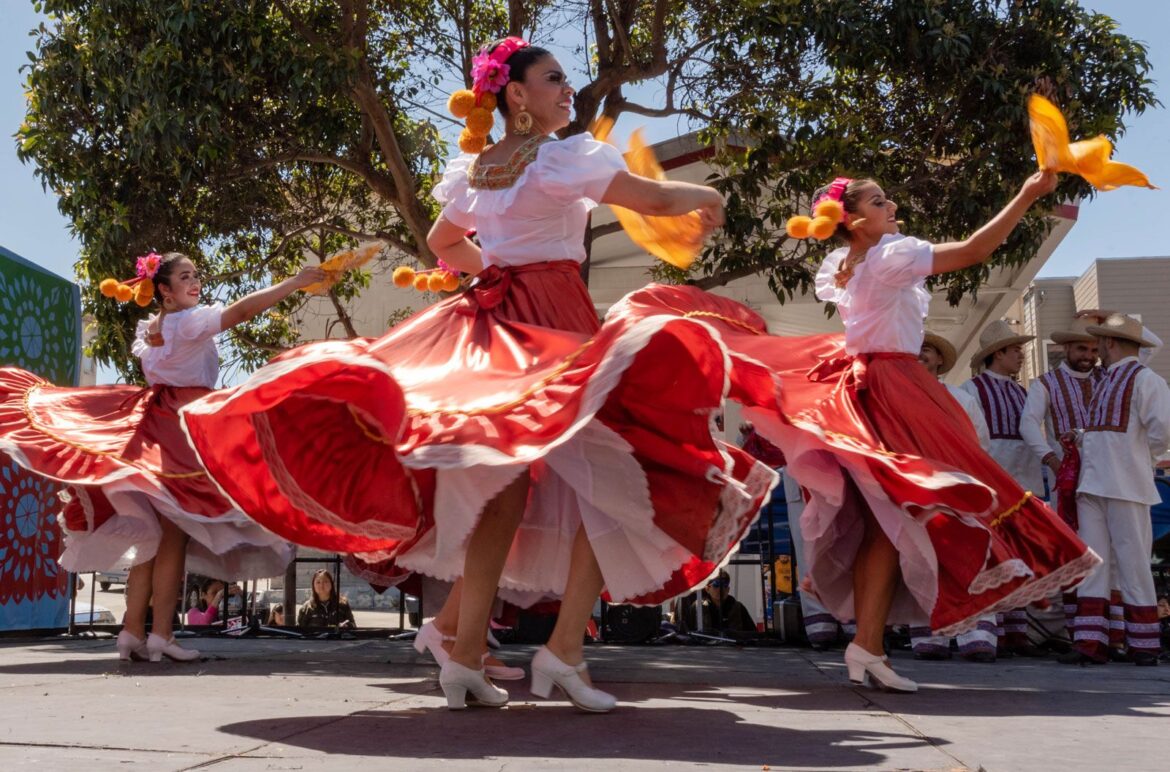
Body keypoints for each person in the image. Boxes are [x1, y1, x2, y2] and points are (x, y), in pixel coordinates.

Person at [180, 36, 778, 714]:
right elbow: (646, 194)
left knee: (508, 482)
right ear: (515, 95)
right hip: (554, 320)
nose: (566, 91)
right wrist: (702, 192)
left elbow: (441, 244)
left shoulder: (477, 171)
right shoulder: (559, 157)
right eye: (553, 79)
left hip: (497, 320)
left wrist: (494, 270)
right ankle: (559, 652)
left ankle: (466, 652)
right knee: (616, 473)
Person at [728, 171, 1098, 692]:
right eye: (880, 201)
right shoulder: (887, 256)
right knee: (939, 496)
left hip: (872, 383)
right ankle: (871, 642)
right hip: (894, 386)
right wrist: (1027, 193)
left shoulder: (851, 263)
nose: (893, 204)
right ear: (855, 221)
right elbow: (973, 251)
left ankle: (868, 644)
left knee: (887, 521)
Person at [0, 252, 319, 662]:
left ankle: (133, 631)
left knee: (154, 538)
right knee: (172, 536)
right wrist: (294, 281)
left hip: (153, 421)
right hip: (181, 427)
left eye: (196, 275)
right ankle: (161, 635)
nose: (195, 282)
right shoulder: (189, 322)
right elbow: (242, 311)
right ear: (164, 291)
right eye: (185, 277)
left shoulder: (156, 327)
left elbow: (164, 346)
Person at [1062, 314, 1170, 666]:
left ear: (1110, 343)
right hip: (1096, 483)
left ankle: (1143, 644)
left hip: (1125, 485)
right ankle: (1092, 642)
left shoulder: (1145, 379)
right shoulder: (1107, 380)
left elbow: (1163, 431)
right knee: (1097, 562)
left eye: (1102, 342)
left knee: (1132, 562)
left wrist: (1138, 456)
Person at [909, 332, 1000, 662]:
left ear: (940, 360)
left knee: (970, 558)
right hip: (917, 490)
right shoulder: (897, 398)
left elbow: (981, 447)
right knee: (923, 561)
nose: (920, 355)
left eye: (927, 350)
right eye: (913, 349)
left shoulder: (962, 399)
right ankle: (931, 632)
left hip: (961, 488)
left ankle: (977, 631)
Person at [960, 321, 1048, 657]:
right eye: (1015, 350)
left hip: (1023, 485)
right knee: (990, 557)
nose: (1021, 356)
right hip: (991, 486)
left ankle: (1015, 632)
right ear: (998, 353)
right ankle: (986, 631)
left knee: (1019, 558)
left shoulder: (1021, 392)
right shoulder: (972, 389)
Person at [678, 570, 755, 634]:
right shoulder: (698, 607)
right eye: (716, 585)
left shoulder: (738, 607)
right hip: (705, 649)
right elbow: (687, 633)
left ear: (728, 589)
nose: (720, 589)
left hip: (732, 649)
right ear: (707, 589)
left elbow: (753, 633)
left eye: (724, 585)